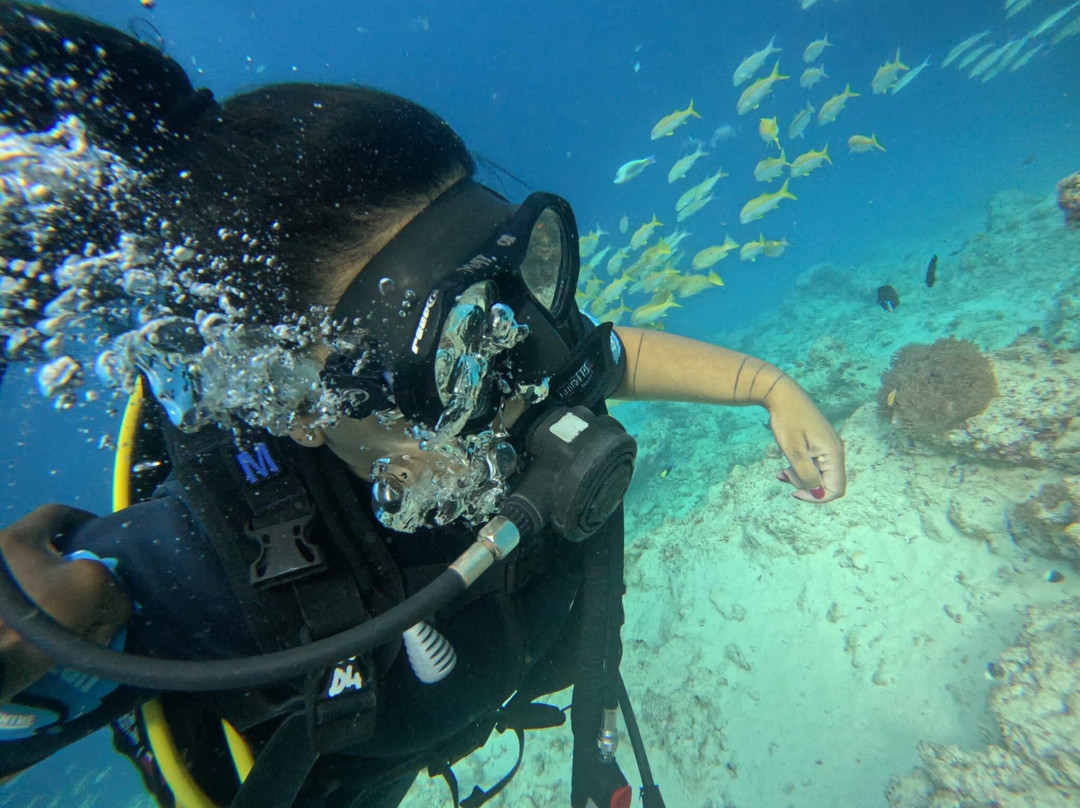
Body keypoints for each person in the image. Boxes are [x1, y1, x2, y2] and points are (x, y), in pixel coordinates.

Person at [0, 4, 846, 808]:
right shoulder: (203, 565)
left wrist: (766, 386)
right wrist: (51, 625)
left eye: (519, 285)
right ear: (298, 400)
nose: (517, 363)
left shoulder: (509, 362)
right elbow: (70, 617)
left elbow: (608, 353)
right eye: (454, 341)